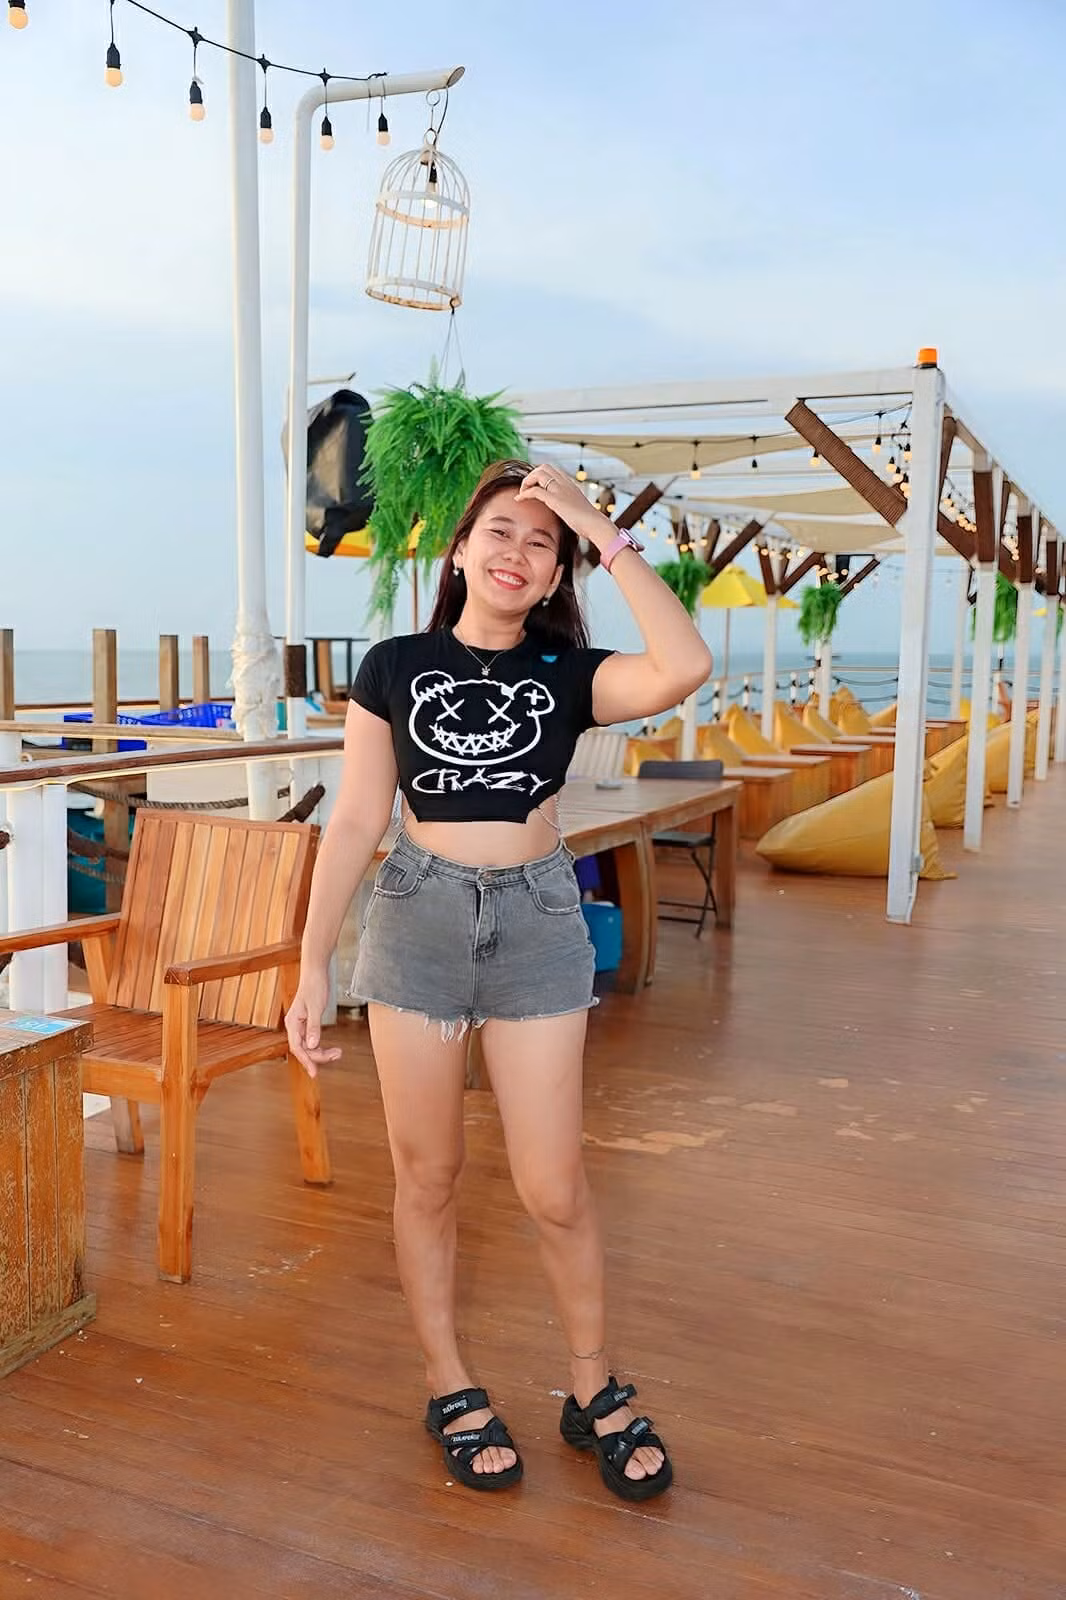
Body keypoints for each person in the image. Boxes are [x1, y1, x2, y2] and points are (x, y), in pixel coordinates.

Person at [285, 459, 712, 1502]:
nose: (518, 551)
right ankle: (449, 1381)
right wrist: (310, 961)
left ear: (559, 571)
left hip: (536, 923)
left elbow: (685, 663)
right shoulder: (394, 666)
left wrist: (596, 524)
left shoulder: (569, 671)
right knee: (427, 1174)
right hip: (418, 920)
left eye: (541, 541)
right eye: (501, 531)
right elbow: (356, 817)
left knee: (553, 1186)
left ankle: (591, 1386)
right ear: (461, 548)